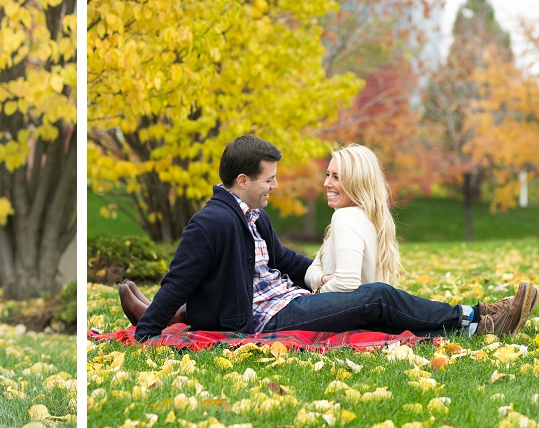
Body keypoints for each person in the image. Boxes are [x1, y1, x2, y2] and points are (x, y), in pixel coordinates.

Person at [122, 135, 538, 342]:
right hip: (267, 319)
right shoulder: (211, 223)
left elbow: (284, 259)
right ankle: (473, 320)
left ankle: (482, 317)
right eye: (269, 179)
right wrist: (147, 333)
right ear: (243, 180)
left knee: (375, 308)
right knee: (376, 297)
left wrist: (318, 279)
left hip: (290, 301)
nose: (276, 186)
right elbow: (179, 279)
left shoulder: (253, 216)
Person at [304, 143, 402, 293]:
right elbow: (312, 272)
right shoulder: (370, 217)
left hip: (350, 313)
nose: (326, 183)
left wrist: (314, 298)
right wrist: (324, 278)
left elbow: (346, 284)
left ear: (357, 182)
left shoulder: (346, 218)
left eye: (336, 177)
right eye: (328, 175)